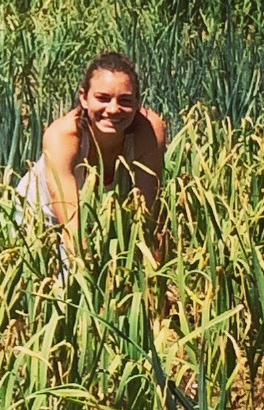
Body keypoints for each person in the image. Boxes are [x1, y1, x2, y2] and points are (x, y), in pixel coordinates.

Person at [17, 51, 168, 262]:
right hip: (39, 216)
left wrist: (154, 276)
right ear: (84, 98)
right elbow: (71, 228)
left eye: (125, 100)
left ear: (137, 102)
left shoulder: (149, 131)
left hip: (100, 218)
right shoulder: (63, 137)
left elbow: (148, 212)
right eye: (102, 98)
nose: (113, 109)